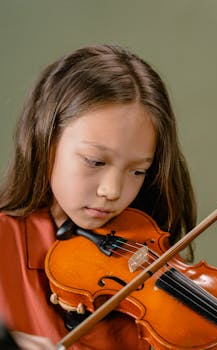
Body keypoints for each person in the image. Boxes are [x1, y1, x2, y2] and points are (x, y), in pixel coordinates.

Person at [0, 44, 197, 350]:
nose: (113, 191)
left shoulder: (148, 263)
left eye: (137, 171)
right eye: (95, 161)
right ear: (46, 138)